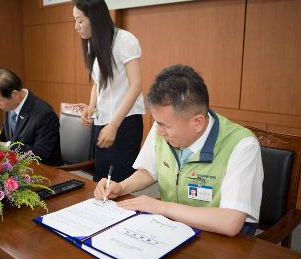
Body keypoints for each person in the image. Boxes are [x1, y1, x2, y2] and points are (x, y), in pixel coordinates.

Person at [94, 64, 264, 237]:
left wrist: (161, 207)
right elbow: (149, 171)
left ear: (197, 123)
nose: (158, 131)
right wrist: (120, 187)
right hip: (172, 228)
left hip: (219, 239)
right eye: (157, 122)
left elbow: (230, 222)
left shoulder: (242, 145)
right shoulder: (163, 125)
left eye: (163, 126)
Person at [73, 0, 145, 182]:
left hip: (124, 123)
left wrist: (114, 124)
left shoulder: (125, 40)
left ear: (94, 18)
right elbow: (98, 82)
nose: (76, 27)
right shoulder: (93, 44)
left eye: (80, 21)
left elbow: (136, 86)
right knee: (101, 181)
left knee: (118, 184)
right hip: (103, 122)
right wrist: (91, 107)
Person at [0, 68, 62, 166]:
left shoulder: (44, 114)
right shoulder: (10, 105)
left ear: (15, 94)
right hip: (18, 168)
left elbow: (41, 155)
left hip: (45, 171)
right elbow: (5, 136)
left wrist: (8, 146)